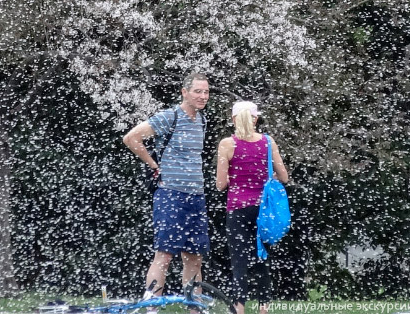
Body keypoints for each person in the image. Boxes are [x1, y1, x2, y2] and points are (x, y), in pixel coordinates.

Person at [123, 73, 210, 298]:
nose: (202, 96)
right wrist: (154, 165)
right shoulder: (169, 117)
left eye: (206, 91)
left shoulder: (202, 120)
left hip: (196, 195)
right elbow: (131, 138)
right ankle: (151, 306)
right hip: (171, 193)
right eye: (197, 91)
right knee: (165, 254)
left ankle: (194, 308)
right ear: (184, 92)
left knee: (194, 256)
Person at [215, 100, 289, 314]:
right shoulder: (268, 142)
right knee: (261, 257)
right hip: (262, 209)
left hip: (237, 208)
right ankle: (264, 307)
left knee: (239, 260)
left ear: (233, 119)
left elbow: (220, 185)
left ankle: (239, 308)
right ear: (256, 118)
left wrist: (234, 176)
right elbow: (283, 176)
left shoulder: (227, 144)